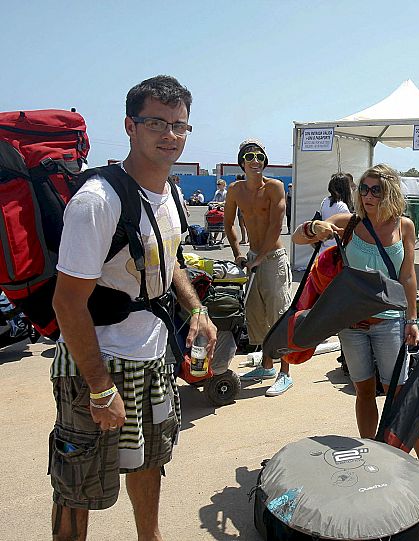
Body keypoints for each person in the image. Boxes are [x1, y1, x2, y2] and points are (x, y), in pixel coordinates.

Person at [50, 75, 217, 540]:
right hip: (95, 365)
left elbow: (171, 263)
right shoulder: (97, 202)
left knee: (150, 460)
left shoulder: (172, 194)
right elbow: (67, 302)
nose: (170, 136)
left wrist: (196, 309)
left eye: (180, 126)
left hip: (152, 358)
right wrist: (100, 387)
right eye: (156, 123)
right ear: (129, 126)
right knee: (77, 482)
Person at [292, 164, 419, 483]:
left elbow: (408, 275)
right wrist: (315, 229)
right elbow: (298, 237)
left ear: (389, 191)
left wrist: (412, 318)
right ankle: (371, 452)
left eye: (375, 189)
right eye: (363, 189)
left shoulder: (404, 226)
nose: (367, 195)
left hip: (390, 321)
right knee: (364, 390)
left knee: (401, 393)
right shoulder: (348, 224)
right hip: (351, 325)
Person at [225, 139, 294, 396]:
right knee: (256, 314)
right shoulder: (235, 190)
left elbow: (277, 225)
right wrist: (238, 254)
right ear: (241, 162)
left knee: (279, 313)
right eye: (250, 156)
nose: (256, 161)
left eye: (260, 156)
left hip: (273, 257)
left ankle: (285, 372)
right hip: (253, 257)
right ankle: (266, 366)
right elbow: (229, 223)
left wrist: (260, 257)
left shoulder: (274, 187)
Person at [319, 172, 354, 251]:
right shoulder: (342, 206)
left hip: (324, 249)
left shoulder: (325, 201)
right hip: (337, 251)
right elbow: (348, 232)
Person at [234, 174, 248, 244]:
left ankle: (249, 240)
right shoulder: (238, 188)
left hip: (245, 208)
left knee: (246, 225)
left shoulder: (245, 188)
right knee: (241, 225)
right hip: (240, 208)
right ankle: (243, 239)